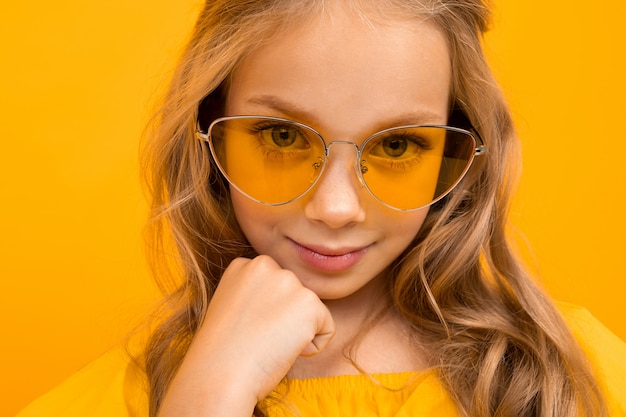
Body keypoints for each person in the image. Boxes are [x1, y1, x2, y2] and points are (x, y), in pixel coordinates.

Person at [16, 0, 626, 416]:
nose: (336, 209)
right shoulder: (128, 392)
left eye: (396, 145)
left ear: (454, 147)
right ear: (209, 132)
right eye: (283, 136)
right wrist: (206, 395)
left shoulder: (566, 373)